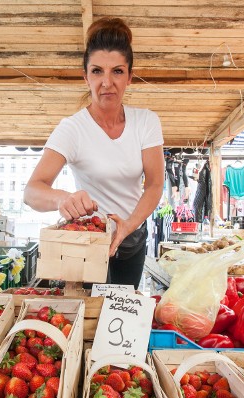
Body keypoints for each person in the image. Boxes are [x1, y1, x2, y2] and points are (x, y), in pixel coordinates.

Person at [23, 17, 164, 288]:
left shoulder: (146, 122)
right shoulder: (72, 128)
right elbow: (32, 192)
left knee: (122, 313)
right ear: (85, 76)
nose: (107, 82)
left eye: (117, 72)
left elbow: (155, 184)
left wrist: (127, 226)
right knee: (92, 319)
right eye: (97, 71)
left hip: (133, 236)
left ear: (130, 77)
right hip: (89, 242)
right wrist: (63, 199)